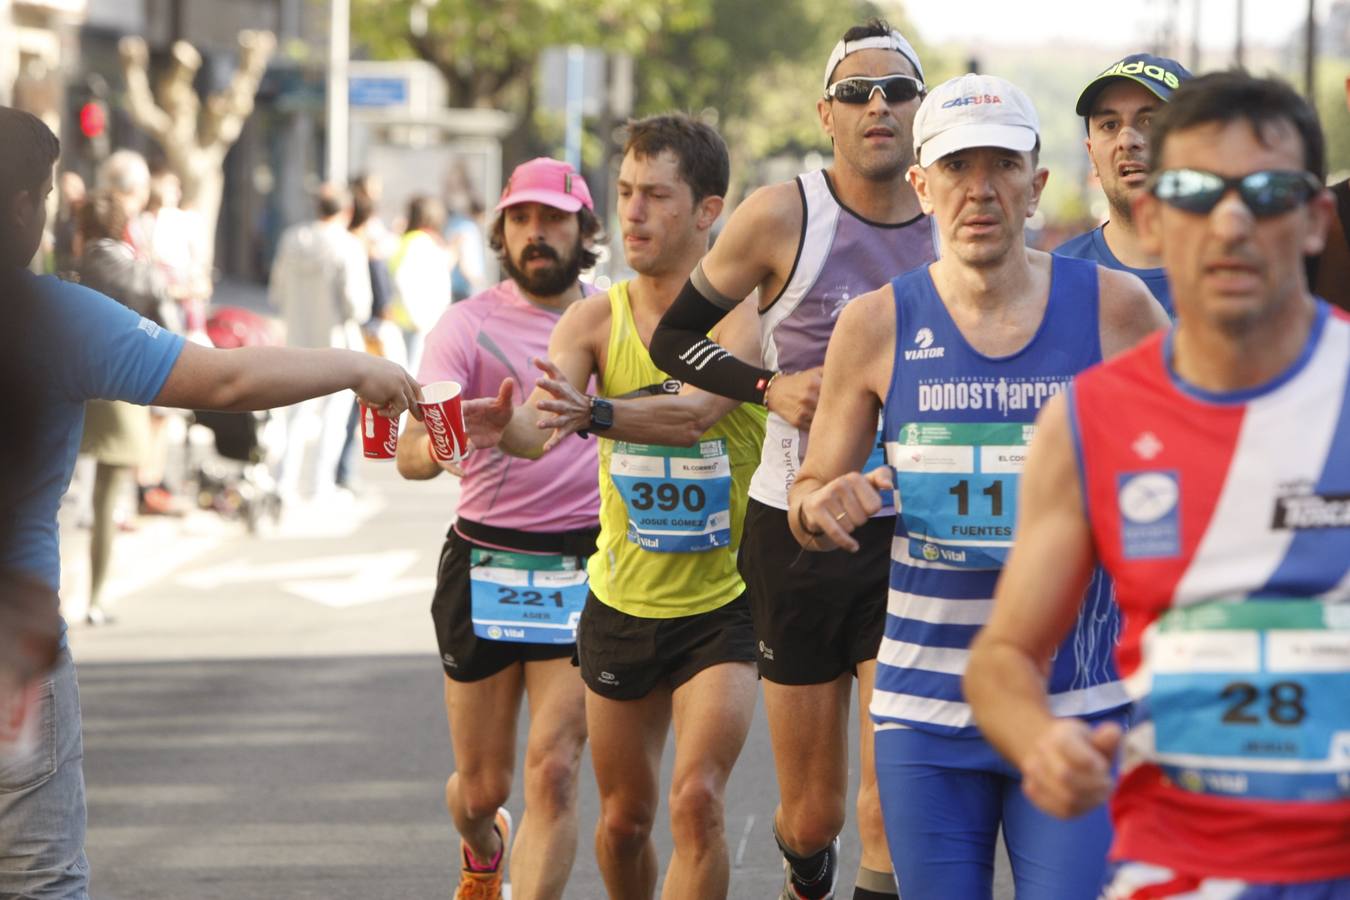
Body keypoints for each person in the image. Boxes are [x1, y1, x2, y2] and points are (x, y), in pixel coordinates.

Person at [0, 105, 420, 900]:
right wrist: (354, 368)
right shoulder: (52, 319)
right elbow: (223, 379)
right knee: (36, 876)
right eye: (46, 195)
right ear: (23, 204)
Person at [966, 72, 1350, 898]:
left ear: (1316, 220)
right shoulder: (1089, 422)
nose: (1233, 221)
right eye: (1194, 192)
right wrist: (1040, 742)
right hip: (1177, 872)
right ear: (1152, 215)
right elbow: (1000, 658)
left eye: (1270, 192)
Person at [784, 74, 1168, 899]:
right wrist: (824, 506)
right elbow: (810, 492)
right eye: (957, 168)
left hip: (1072, 704)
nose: (980, 190)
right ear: (922, 186)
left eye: (1002, 166)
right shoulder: (877, 323)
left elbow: (1193, 468)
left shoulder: (1118, 309)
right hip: (925, 709)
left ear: (1038, 186)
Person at [647, 20, 937, 899]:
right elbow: (673, 340)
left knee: (892, 801)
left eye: (896, 91)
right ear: (826, 113)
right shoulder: (783, 215)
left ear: (922, 113)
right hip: (795, 531)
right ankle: (805, 871)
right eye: (857, 92)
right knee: (816, 813)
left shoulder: (956, 215)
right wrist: (770, 387)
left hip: (917, 531)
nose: (877, 105)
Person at [464, 114, 766, 900]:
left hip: (724, 602)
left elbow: (695, 411)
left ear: (707, 211)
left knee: (696, 800)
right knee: (625, 822)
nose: (631, 212)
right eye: (625, 192)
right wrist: (504, 429)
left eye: (656, 196)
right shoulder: (595, 318)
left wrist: (594, 415)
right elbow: (541, 421)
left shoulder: (742, 315)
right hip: (621, 602)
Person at [395, 157, 604, 900]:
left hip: (584, 564)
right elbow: (411, 455)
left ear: (586, 228)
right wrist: (464, 438)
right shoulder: (466, 325)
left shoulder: (616, 318)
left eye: (553, 219)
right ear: (501, 232)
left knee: (554, 767)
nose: (536, 234)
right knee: (481, 790)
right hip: (485, 559)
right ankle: (484, 848)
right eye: (521, 219)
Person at [75, 188, 177, 625]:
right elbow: (172, 339)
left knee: (49, 500)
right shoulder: (144, 275)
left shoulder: (68, 271)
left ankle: (42, 598)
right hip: (124, 391)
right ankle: (95, 598)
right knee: (105, 502)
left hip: (69, 387)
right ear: (124, 226)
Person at [1055, 54, 1192, 316]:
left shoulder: (1237, 275)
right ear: (1091, 154)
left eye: (1150, 121)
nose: (1127, 140)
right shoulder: (1056, 282)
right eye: (1110, 125)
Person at [268, 182, 373, 505]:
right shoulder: (348, 245)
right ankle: (320, 485)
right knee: (333, 417)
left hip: (297, 339)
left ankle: (284, 483)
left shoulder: (291, 239)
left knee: (294, 414)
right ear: (347, 211)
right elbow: (358, 305)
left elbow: (276, 292)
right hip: (336, 342)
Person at [390, 194, 452, 373]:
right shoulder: (420, 242)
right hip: (418, 323)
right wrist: (418, 317)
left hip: (409, 320)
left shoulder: (408, 240)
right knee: (414, 373)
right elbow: (403, 279)